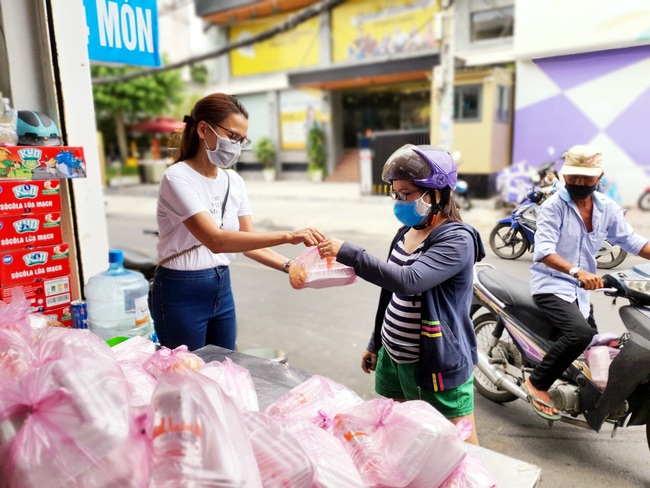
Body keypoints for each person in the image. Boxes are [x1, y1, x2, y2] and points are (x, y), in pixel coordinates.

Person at [317, 144, 485, 445]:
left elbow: (409, 281)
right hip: (394, 359)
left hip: (435, 365)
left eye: (406, 194)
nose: (400, 201)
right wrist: (376, 343)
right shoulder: (407, 231)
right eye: (396, 193)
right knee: (407, 438)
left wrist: (350, 253)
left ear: (436, 194)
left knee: (459, 447)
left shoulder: (458, 239)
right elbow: (391, 290)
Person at [152, 93, 324, 351]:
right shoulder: (177, 178)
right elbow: (216, 241)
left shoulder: (234, 181)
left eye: (241, 140)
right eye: (232, 136)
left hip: (221, 287)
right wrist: (289, 236)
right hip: (180, 291)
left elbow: (248, 242)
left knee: (224, 366)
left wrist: (291, 266)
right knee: (186, 376)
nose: (236, 145)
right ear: (203, 129)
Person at [526, 145, 650, 419]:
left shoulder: (607, 209)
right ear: (564, 174)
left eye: (587, 177)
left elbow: (632, 241)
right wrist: (577, 272)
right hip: (551, 285)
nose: (579, 183)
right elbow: (545, 251)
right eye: (573, 176)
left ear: (599, 176)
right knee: (579, 334)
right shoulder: (553, 207)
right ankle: (537, 383)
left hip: (581, 292)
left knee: (593, 346)